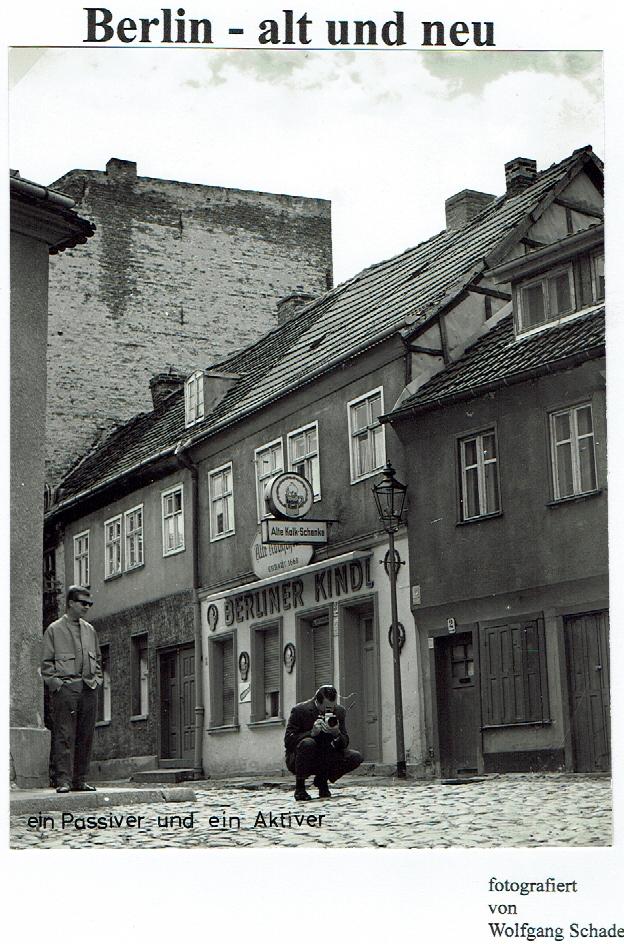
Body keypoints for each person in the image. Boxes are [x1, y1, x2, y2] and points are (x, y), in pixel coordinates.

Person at [41, 586, 103, 793]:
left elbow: (99, 659)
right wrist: (58, 686)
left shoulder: (90, 630)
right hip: (66, 689)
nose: (87, 607)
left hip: (88, 688)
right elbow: (47, 665)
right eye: (83, 603)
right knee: (64, 735)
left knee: (85, 736)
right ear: (70, 603)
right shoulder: (54, 630)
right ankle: (64, 781)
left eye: (90, 604)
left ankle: (80, 780)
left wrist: (97, 681)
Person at [284, 684, 362, 801]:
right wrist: (311, 733)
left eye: (332, 707)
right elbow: (288, 741)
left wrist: (337, 733)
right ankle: (300, 788)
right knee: (308, 743)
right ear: (317, 702)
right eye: (326, 708)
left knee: (355, 757)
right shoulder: (300, 710)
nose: (329, 711)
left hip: (327, 755)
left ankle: (322, 781)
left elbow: (344, 742)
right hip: (302, 757)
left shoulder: (339, 711)